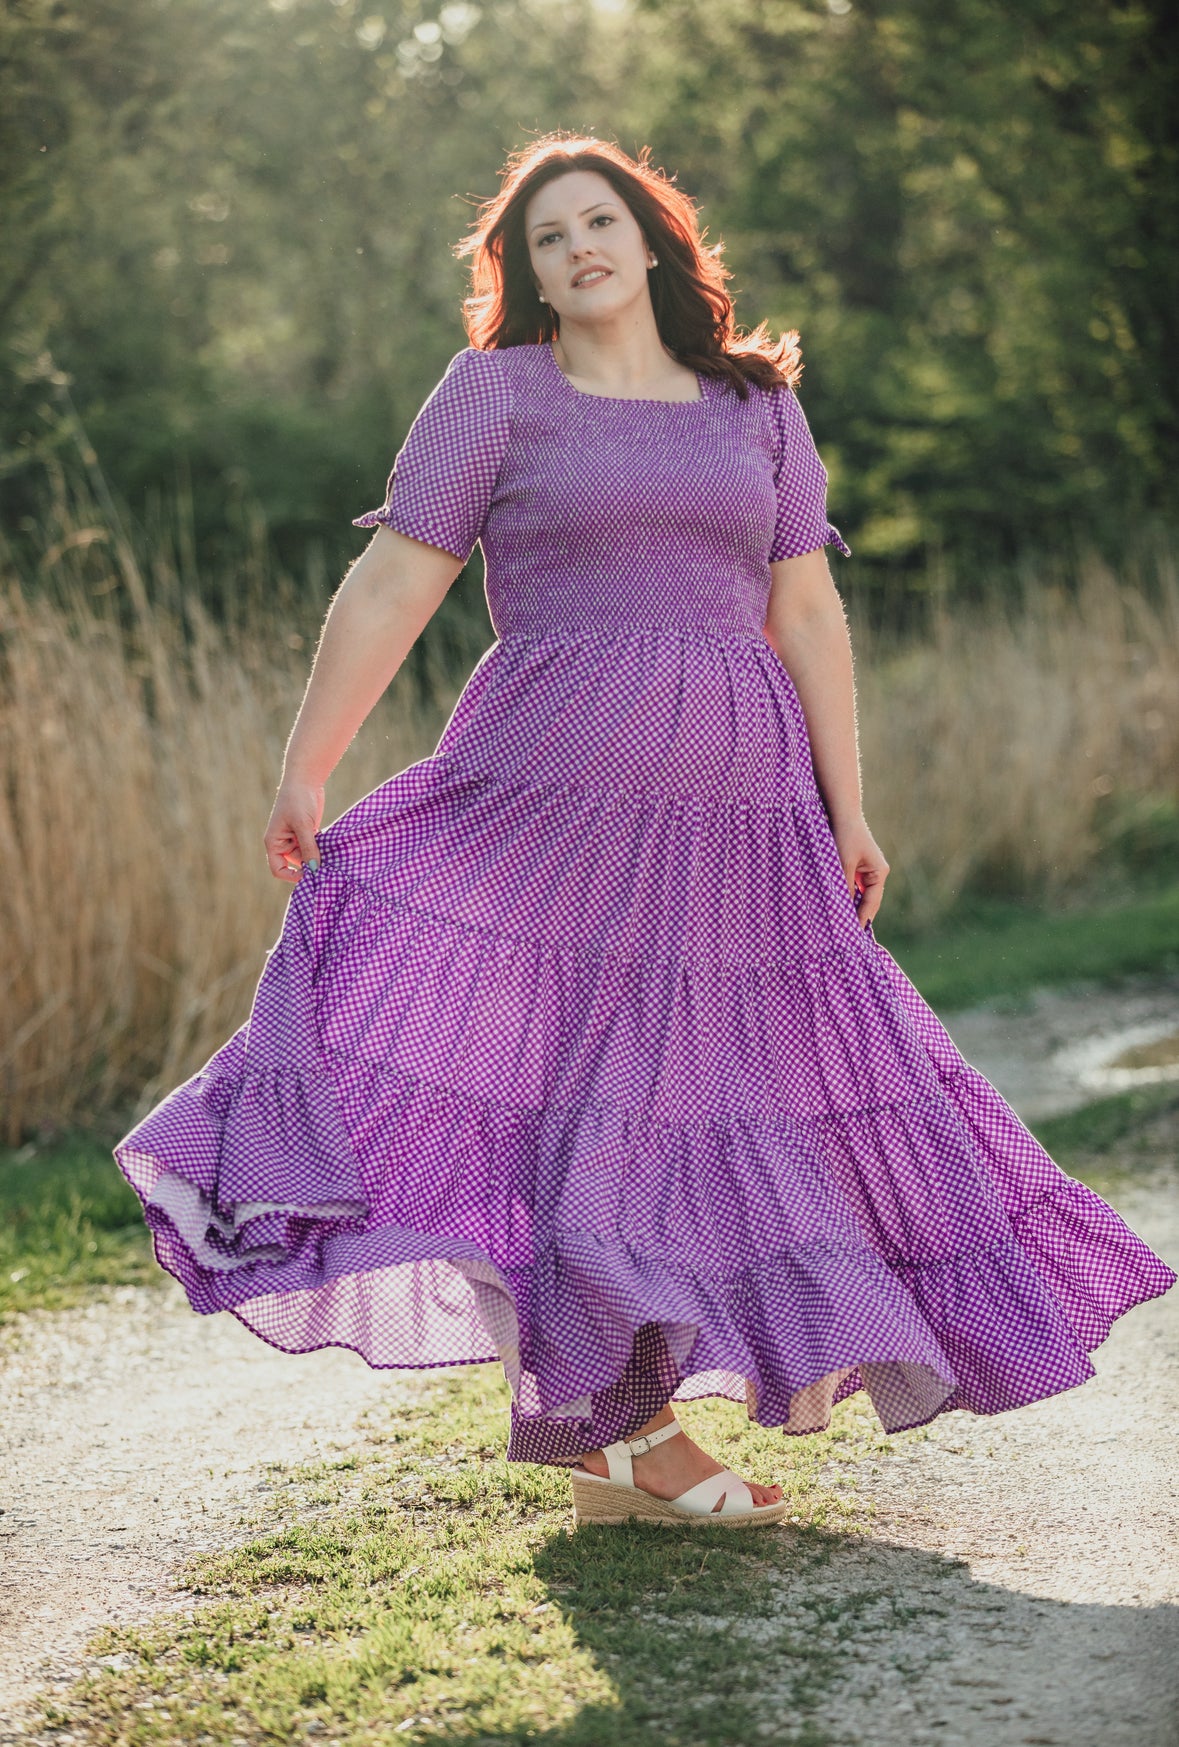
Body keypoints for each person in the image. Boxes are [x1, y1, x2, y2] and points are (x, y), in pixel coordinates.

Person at [113, 134, 1176, 1529]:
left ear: (654, 237)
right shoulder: (495, 394)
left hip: (745, 811)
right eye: (546, 240)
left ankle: (613, 1428)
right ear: (525, 273)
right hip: (552, 794)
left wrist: (850, 805)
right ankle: (621, 1429)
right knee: (593, 1101)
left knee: (722, 1096)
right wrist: (305, 768)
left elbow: (807, 612)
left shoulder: (755, 406)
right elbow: (391, 585)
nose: (578, 251)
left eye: (598, 221)